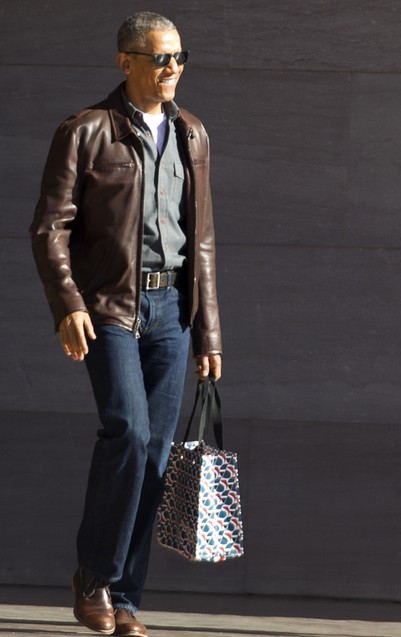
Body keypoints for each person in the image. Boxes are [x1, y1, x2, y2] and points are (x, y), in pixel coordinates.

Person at [30, 11, 222, 636]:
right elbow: (49, 229)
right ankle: (95, 576)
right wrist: (69, 304)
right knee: (130, 435)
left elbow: (206, 243)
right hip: (109, 308)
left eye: (180, 57)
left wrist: (208, 333)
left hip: (172, 311)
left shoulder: (193, 133)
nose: (173, 69)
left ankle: (127, 599)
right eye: (160, 58)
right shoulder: (86, 131)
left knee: (159, 456)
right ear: (126, 62)